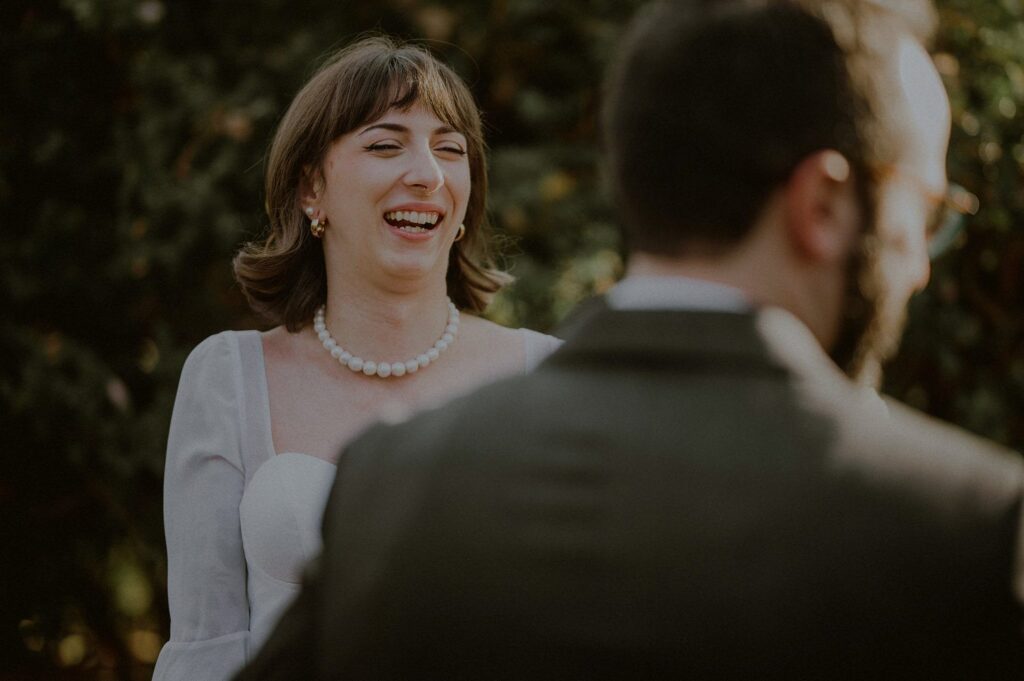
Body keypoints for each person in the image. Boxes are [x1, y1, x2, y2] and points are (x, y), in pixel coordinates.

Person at [235, 2, 1024, 679]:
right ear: (822, 204)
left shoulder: (392, 487)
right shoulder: (966, 531)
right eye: (924, 211)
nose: (920, 263)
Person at [151, 36, 560, 681]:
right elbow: (208, 648)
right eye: (384, 144)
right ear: (312, 188)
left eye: (450, 149)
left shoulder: (548, 379)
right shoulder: (231, 379)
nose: (426, 173)